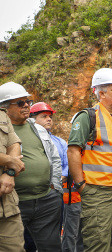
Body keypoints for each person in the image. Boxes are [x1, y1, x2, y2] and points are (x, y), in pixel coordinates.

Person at [67, 68, 112, 252]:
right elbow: (73, 151)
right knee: (98, 242)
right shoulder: (87, 117)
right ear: (101, 94)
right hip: (98, 190)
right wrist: (81, 185)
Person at [0, 82, 63, 252]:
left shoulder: (38, 129)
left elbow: (54, 157)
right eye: (20, 103)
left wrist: (55, 189)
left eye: (28, 101)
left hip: (46, 200)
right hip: (15, 202)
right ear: (4, 108)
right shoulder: (2, 131)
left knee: (52, 247)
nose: (27, 105)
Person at [29, 102, 81, 252]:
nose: (49, 119)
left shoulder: (60, 142)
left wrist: (62, 176)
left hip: (60, 194)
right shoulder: (30, 141)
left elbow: (68, 163)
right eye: (44, 116)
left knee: (56, 232)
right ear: (33, 119)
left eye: (50, 116)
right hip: (36, 194)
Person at [0, 103, 26, 251]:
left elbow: (14, 144)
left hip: (6, 205)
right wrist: (9, 160)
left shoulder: (2, 115)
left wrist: (9, 173)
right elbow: (13, 157)